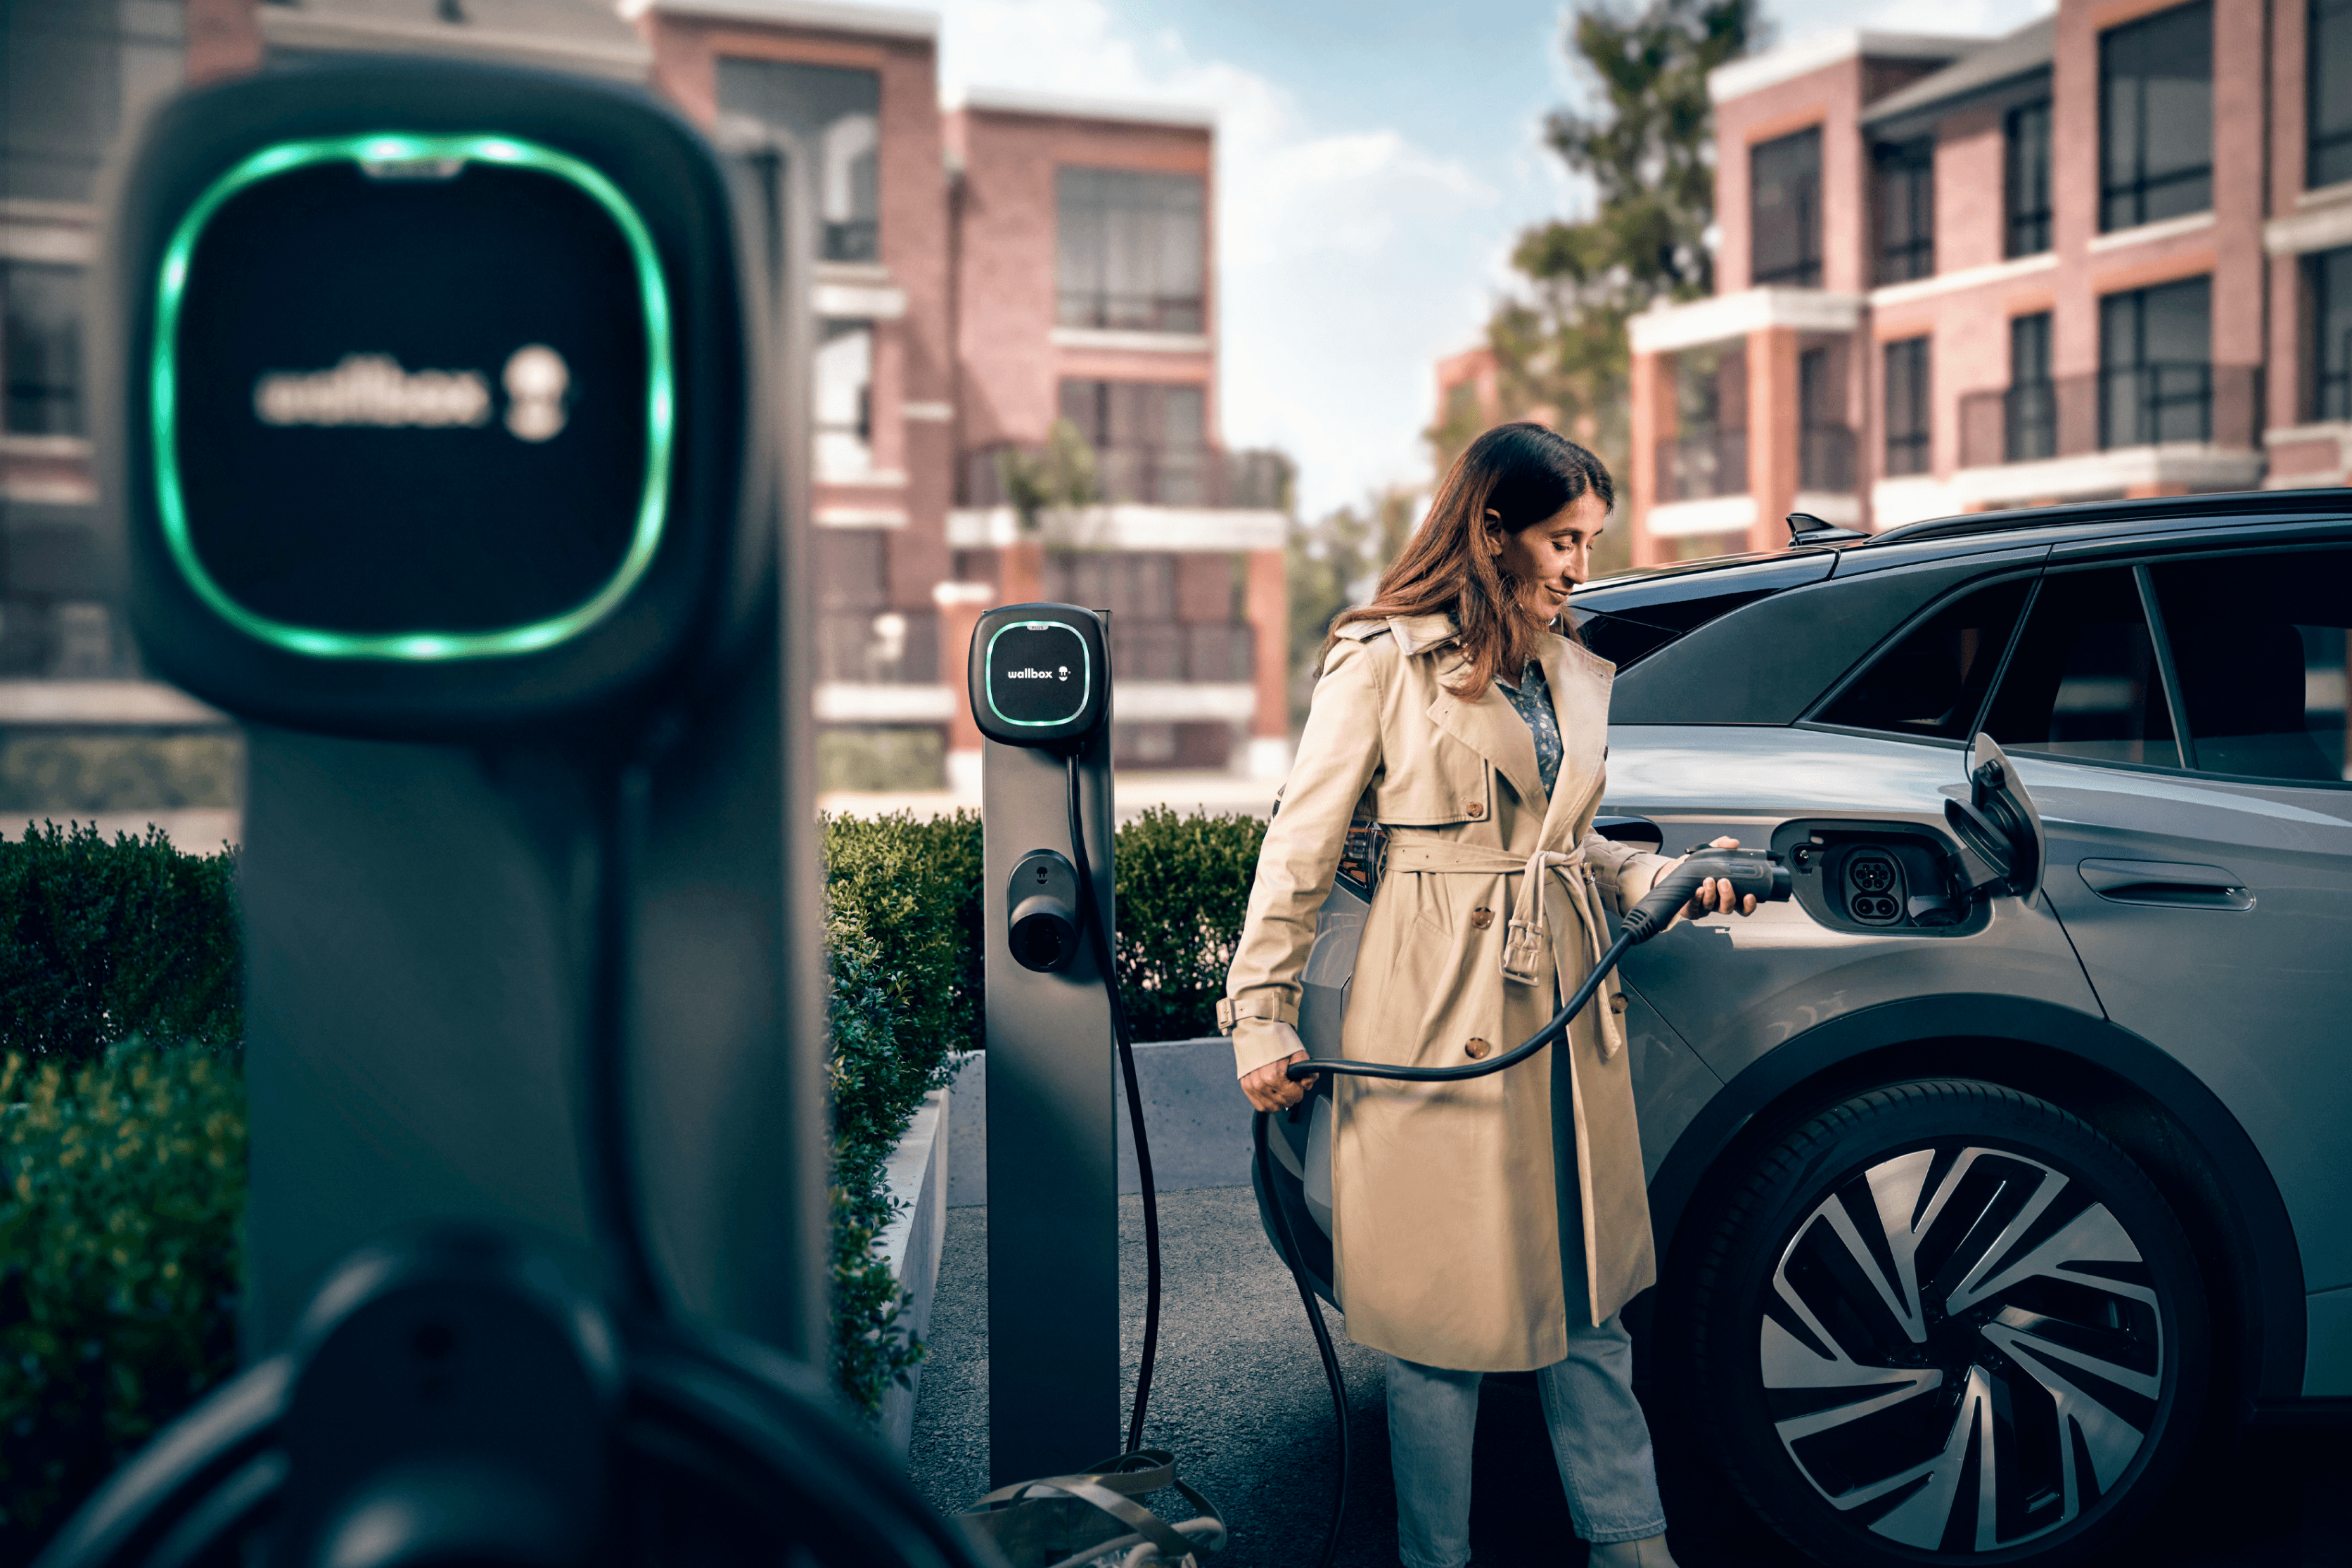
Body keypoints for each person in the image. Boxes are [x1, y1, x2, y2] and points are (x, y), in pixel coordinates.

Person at [1220, 424, 1756, 1568]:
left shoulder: (1565, 661)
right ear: (1493, 526)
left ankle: (1634, 1549)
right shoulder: (1381, 659)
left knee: (1588, 1311)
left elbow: (1566, 838)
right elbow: (1299, 849)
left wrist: (1652, 876)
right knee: (1435, 1330)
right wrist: (1259, 1012)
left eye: (1590, 542)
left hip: (1561, 1007)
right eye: (1564, 539)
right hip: (1433, 1002)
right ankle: (1436, 1557)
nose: (1578, 565)